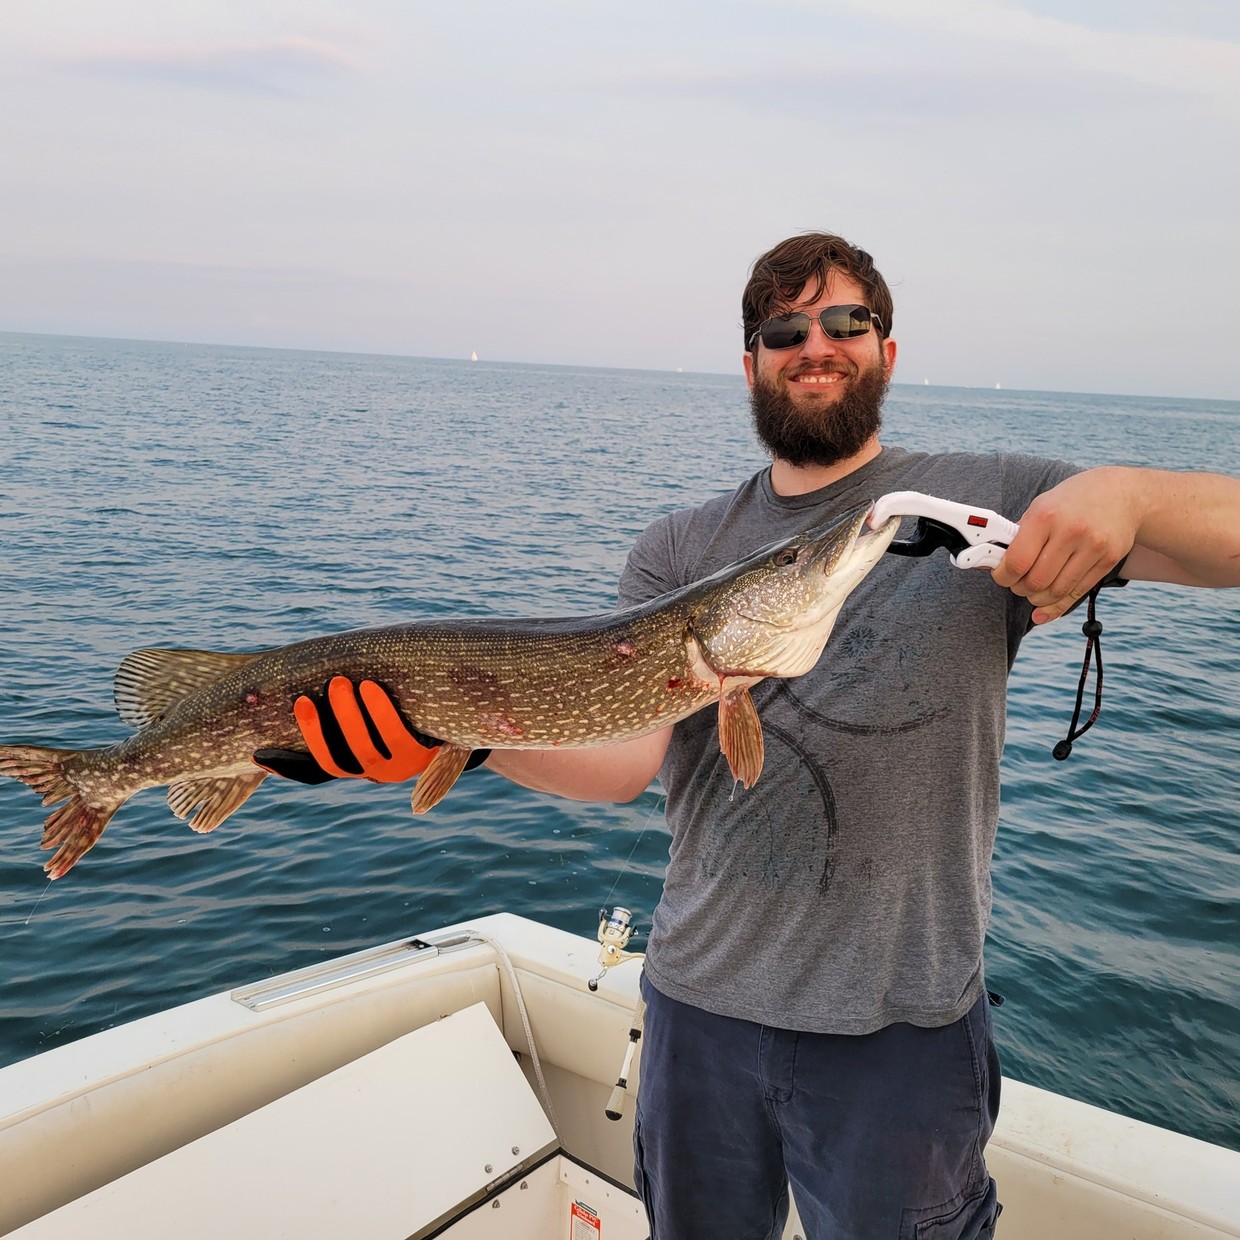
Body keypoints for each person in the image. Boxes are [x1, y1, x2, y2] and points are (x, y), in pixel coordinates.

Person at [255, 233, 1240, 1239]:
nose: (815, 344)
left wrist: (1129, 493)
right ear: (751, 365)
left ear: (886, 351)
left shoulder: (983, 495)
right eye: (783, 330)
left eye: (846, 321)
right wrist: (447, 742)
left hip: (899, 1029)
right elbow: (622, 763)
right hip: (699, 1014)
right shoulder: (678, 548)